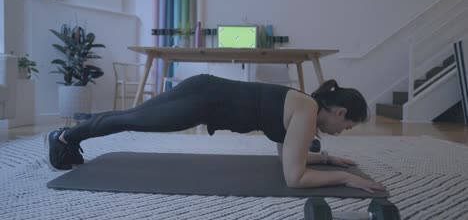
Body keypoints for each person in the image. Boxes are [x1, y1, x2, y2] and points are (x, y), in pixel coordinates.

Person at [46, 74, 386, 193]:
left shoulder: (304, 107)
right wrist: (345, 179)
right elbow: (295, 178)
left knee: (132, 117)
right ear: (339, 112)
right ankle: (64, 137)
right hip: (202, 99)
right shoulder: (307, 111)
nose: (344, 131)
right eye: (348, 124)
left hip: (204, 94)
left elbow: (287, 157)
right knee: (134, 119)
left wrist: (325, 158)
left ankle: (68, 136)